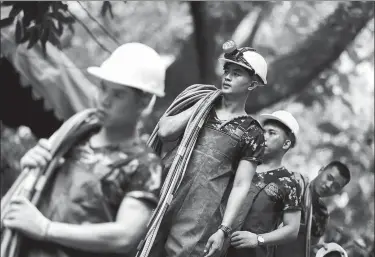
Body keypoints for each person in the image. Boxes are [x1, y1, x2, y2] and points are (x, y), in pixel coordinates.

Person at [3, 43, 166, 257]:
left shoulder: (144, 165)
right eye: (103, 88)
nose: (104, 100)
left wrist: (46, 229)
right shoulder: (73, 137)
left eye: (118, 95)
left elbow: (125, 236)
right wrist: (32, 168)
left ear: (143, 101)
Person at [148, 40, 267, 257]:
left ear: (252, 84)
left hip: (201, 210)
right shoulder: (201, 104)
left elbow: (241, 185)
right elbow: (164, 132)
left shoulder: (252, 132)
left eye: (237, 73)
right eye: (227, 71)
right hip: (165, 188)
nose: (228, 77)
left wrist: (224, 229)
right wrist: (202, 106)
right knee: (142, 243)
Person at [225, 110, 303, 257]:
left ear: (286, 143)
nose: (263, 137)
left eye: (271, 133)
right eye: (263, 132)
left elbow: (292, 229)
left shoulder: (289, 183)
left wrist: (258, 239)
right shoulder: (241, 163)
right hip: (215, 243)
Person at [275, 160, 351, 257]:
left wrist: (318, 248)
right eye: (329, 178)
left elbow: (308, 246)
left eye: (336, 186)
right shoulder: (292, 185)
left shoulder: (322, 215)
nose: (328, 185)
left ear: (338, 191)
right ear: (321, 170)